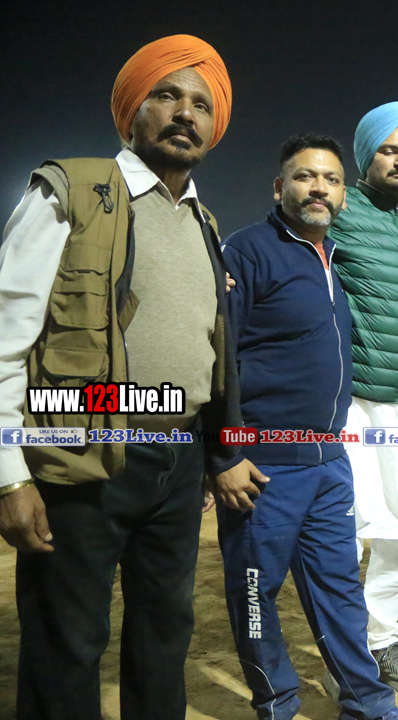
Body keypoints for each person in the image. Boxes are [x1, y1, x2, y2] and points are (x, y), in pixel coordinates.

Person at [0, 35, 243, 719]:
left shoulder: (204, 221)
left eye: (201, 104)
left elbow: (207, 352)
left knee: (164, 638)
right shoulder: (72, 192)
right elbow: (6, 341)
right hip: (83, 453)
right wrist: (10, 478)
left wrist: (208, 453)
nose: (185, 113)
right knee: (67, 643)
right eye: (166, 94)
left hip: (177, 462)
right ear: (133, 110)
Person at [215, 133, 398, 720]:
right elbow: (218, 358)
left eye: (330, 180)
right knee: (256, 596)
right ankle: (276, 704)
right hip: (264, 465)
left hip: (329, 462)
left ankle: (369, 704)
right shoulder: (247, 251)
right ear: (281, 187)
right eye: (305, 177)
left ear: (343, 196)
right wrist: (225, 455)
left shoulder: (336, 261)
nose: (319, 189)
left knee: (341, 592)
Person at [328, 101, 398, 693]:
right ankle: (343, 651)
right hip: (353, 398)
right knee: (344, 529)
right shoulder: (340, 209)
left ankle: (380, 640)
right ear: (365, 156)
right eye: (388, 150)